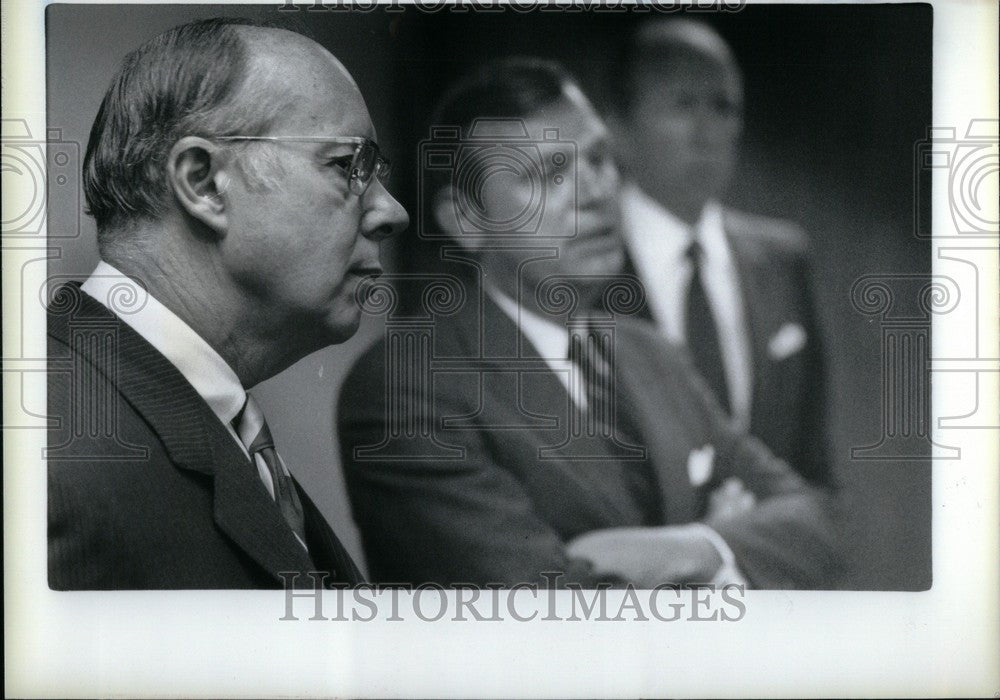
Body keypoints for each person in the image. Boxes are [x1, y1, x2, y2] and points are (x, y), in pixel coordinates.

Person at [337, 57, 839, 589]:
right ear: (466, 219)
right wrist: (732, 545)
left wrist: (693, 549)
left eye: (599, 159)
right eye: (549, 174)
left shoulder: (652, 352)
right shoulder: (407, 387)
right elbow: (547, 610)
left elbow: (818, 523)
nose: (597, 192)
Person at [47, 18, 408, 589]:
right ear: (204, 183)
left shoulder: (193, 425)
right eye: (347, 166)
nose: (391, 213)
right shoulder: (46, 454)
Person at [613, 18, 831, 485]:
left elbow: (812, 463)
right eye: (682, 105)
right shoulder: (582, 260)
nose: (706, 132)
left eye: (723, 107)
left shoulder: (783, 259)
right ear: (619, 129)